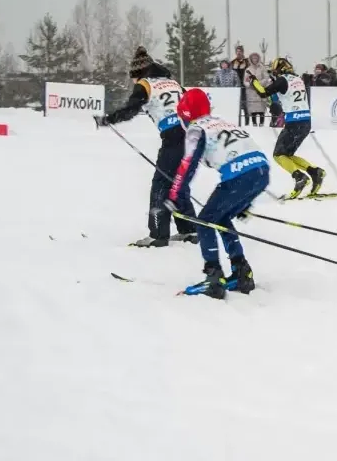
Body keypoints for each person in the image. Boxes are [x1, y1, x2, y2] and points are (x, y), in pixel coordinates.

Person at [166, 88, 267, 300]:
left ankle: (214, 277)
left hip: (239, 176)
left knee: (204, 221)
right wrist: (245, 202)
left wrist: (175, 195)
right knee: (220, 218)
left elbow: (187, 164)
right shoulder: (221, 122)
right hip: (260, 171)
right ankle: (241, 272)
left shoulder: (196, 128)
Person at [95, 47, 197, 246]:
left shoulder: (145, 84)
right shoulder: (173, 83)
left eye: (132, 77)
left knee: (161, 185)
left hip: (173, 138)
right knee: (177, 183)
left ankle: (158, 235)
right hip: (192, 135)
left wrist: (109, 119)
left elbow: (130, 110)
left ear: (138, 73)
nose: (133, 82)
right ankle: (190, 229)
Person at [246, 57, 326, 197]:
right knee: (287, 156)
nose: (275, 73)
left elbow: (263, 92)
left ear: (280, 69)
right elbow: (283, 95)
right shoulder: (297, 79)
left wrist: (254, 81)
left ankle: (299, 177)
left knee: (278, 155)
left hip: (294, 122)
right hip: (305, 122)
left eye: (275, 71)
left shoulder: (282, 80)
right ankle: (315, 172)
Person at [242, 52, 269, 126]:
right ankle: (254, 123)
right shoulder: (248, 69)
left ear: (258, 58)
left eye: (256, 58)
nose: (254, 59)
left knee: (261, 108)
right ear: (250, 59)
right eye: (253, 58)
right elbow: (245, 81)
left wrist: (259, 84)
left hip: (261, 90)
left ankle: (261, 122)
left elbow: (266, 78)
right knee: (253, 108)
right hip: (251, 91)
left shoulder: (262, 68)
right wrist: (250, 84)